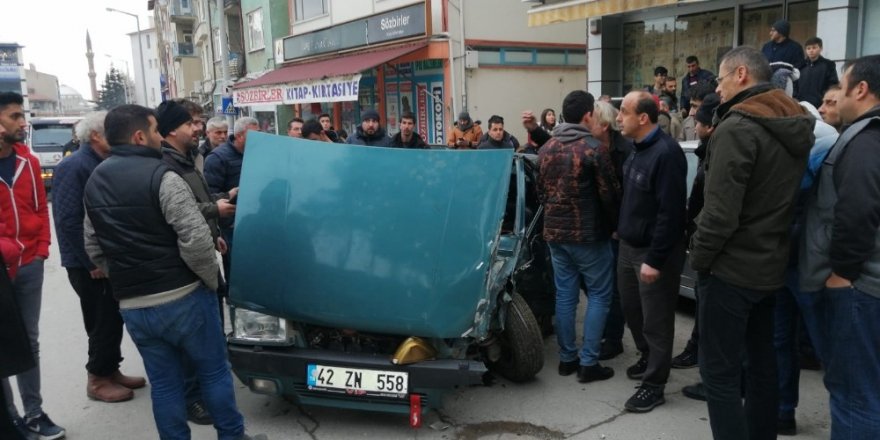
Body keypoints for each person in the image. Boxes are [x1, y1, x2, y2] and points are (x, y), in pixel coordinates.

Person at [82, 104, 263, 440]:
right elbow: (195, 238)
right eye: (154, 130)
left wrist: (125, 277)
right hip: (183, 296)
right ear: (139, 136)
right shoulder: (163, 176)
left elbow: (93, 246)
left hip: (135, 305)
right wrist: (208, 282)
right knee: (213, 373)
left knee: (165, 384)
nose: (159, 137)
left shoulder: (96, 180)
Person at [690, 46, 813, 440]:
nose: (719, 91)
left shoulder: (737, 127)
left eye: (721, 81)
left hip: (731, 270)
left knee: (720, 373)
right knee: (762, 364)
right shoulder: (793, 121)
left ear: (741, 74)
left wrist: (701, 260)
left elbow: (719, 214)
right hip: (769, 265)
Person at [800, 54, 880, 439]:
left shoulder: (865, 140)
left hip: (860, 289)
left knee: (853, 395)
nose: (829, 99)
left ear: (861, 90)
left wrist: (842, 274)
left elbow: (858, 210)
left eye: (842, 86)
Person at [52, 110, 147, 405]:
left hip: (103, 259)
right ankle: (97, 378)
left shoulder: (98, 162)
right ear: (95, 135)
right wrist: (89, 261)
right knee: (101, 320)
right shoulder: (75, 165)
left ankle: (110, 369)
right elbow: (68, 220)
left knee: (112, 317)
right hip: (88, 264)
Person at [159, 100, 239, 425]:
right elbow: (183, 213)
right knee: (194, 338)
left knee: (207, 336)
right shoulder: (167, 166)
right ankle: (194, 398)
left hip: (205, 252)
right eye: (192, 122)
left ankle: (201, 392)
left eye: (199, 122)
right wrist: (214, 212)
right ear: (170, 129)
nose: (199, 129)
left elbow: (196, 206)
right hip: (189, 270)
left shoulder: (189, 159)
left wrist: (213, 232)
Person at [537, 90, 620, 384]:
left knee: (565, 296)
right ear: (587, 115)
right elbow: (610, 194)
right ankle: (588, 363)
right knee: (599, 295)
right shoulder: (593, 149)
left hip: (555, 235)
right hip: (588, 236)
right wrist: (614, 225)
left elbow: (541, 192)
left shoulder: (546, 148)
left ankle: (567, 359)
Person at [615, 91, 687, 414]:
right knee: (632, 310)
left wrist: (655, 260)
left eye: (623, 112)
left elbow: (670, 215)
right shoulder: (634, 148)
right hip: (628, 247)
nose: (618, 118)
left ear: (643, 118)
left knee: (657, 320)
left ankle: (654, 384)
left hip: (653, 253)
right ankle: (647, 357)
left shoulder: (667, 154)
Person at [0, 91, 65, 440]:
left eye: (22, 115)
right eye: (14, 116)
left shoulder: (30, 162)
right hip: (0, 269)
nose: (23, 123)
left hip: (29, 266)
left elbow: (41, 209)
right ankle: (8, 419)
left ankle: (35, 413)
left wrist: (41, 250)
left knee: (29, 341)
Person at [675, 94, 722, 402]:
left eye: (700, 122)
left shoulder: (716, 156)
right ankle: (694, 349)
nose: (696, 126)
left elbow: (715, 206)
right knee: (705, 312)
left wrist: (700, 248)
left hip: (711, 247)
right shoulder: (706, 153)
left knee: (712, 315)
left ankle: (712, 380)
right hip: (704, 241)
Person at [588, 101, 631, 362]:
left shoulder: (624, 151)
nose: (585, 125)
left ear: (603, 126)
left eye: (589, 120)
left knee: (614, 288)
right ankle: (604, 332)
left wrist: (619, 227)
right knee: (597, 286)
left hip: (617, 231)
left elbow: (626, 196)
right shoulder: (593, 148)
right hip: (600, 229)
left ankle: (613, 339)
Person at [204, 116, 258, 289]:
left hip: (255, 220)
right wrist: (229, 195)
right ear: (240, 135)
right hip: (232, 225)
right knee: (238, 272)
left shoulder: (255, 153)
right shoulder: (217, 158)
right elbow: (209, 195)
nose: (258, 140)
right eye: (254, 135)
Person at [794, 37, 839, 108]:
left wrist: (825, 98)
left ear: (820, 49)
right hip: (801, 103)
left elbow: (833, 84)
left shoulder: (828, 65)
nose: (811, 51)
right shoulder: (800, 66)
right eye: (808, 48)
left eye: (814, 48)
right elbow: (795, 84)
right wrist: (795, 98)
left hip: (820, 104)